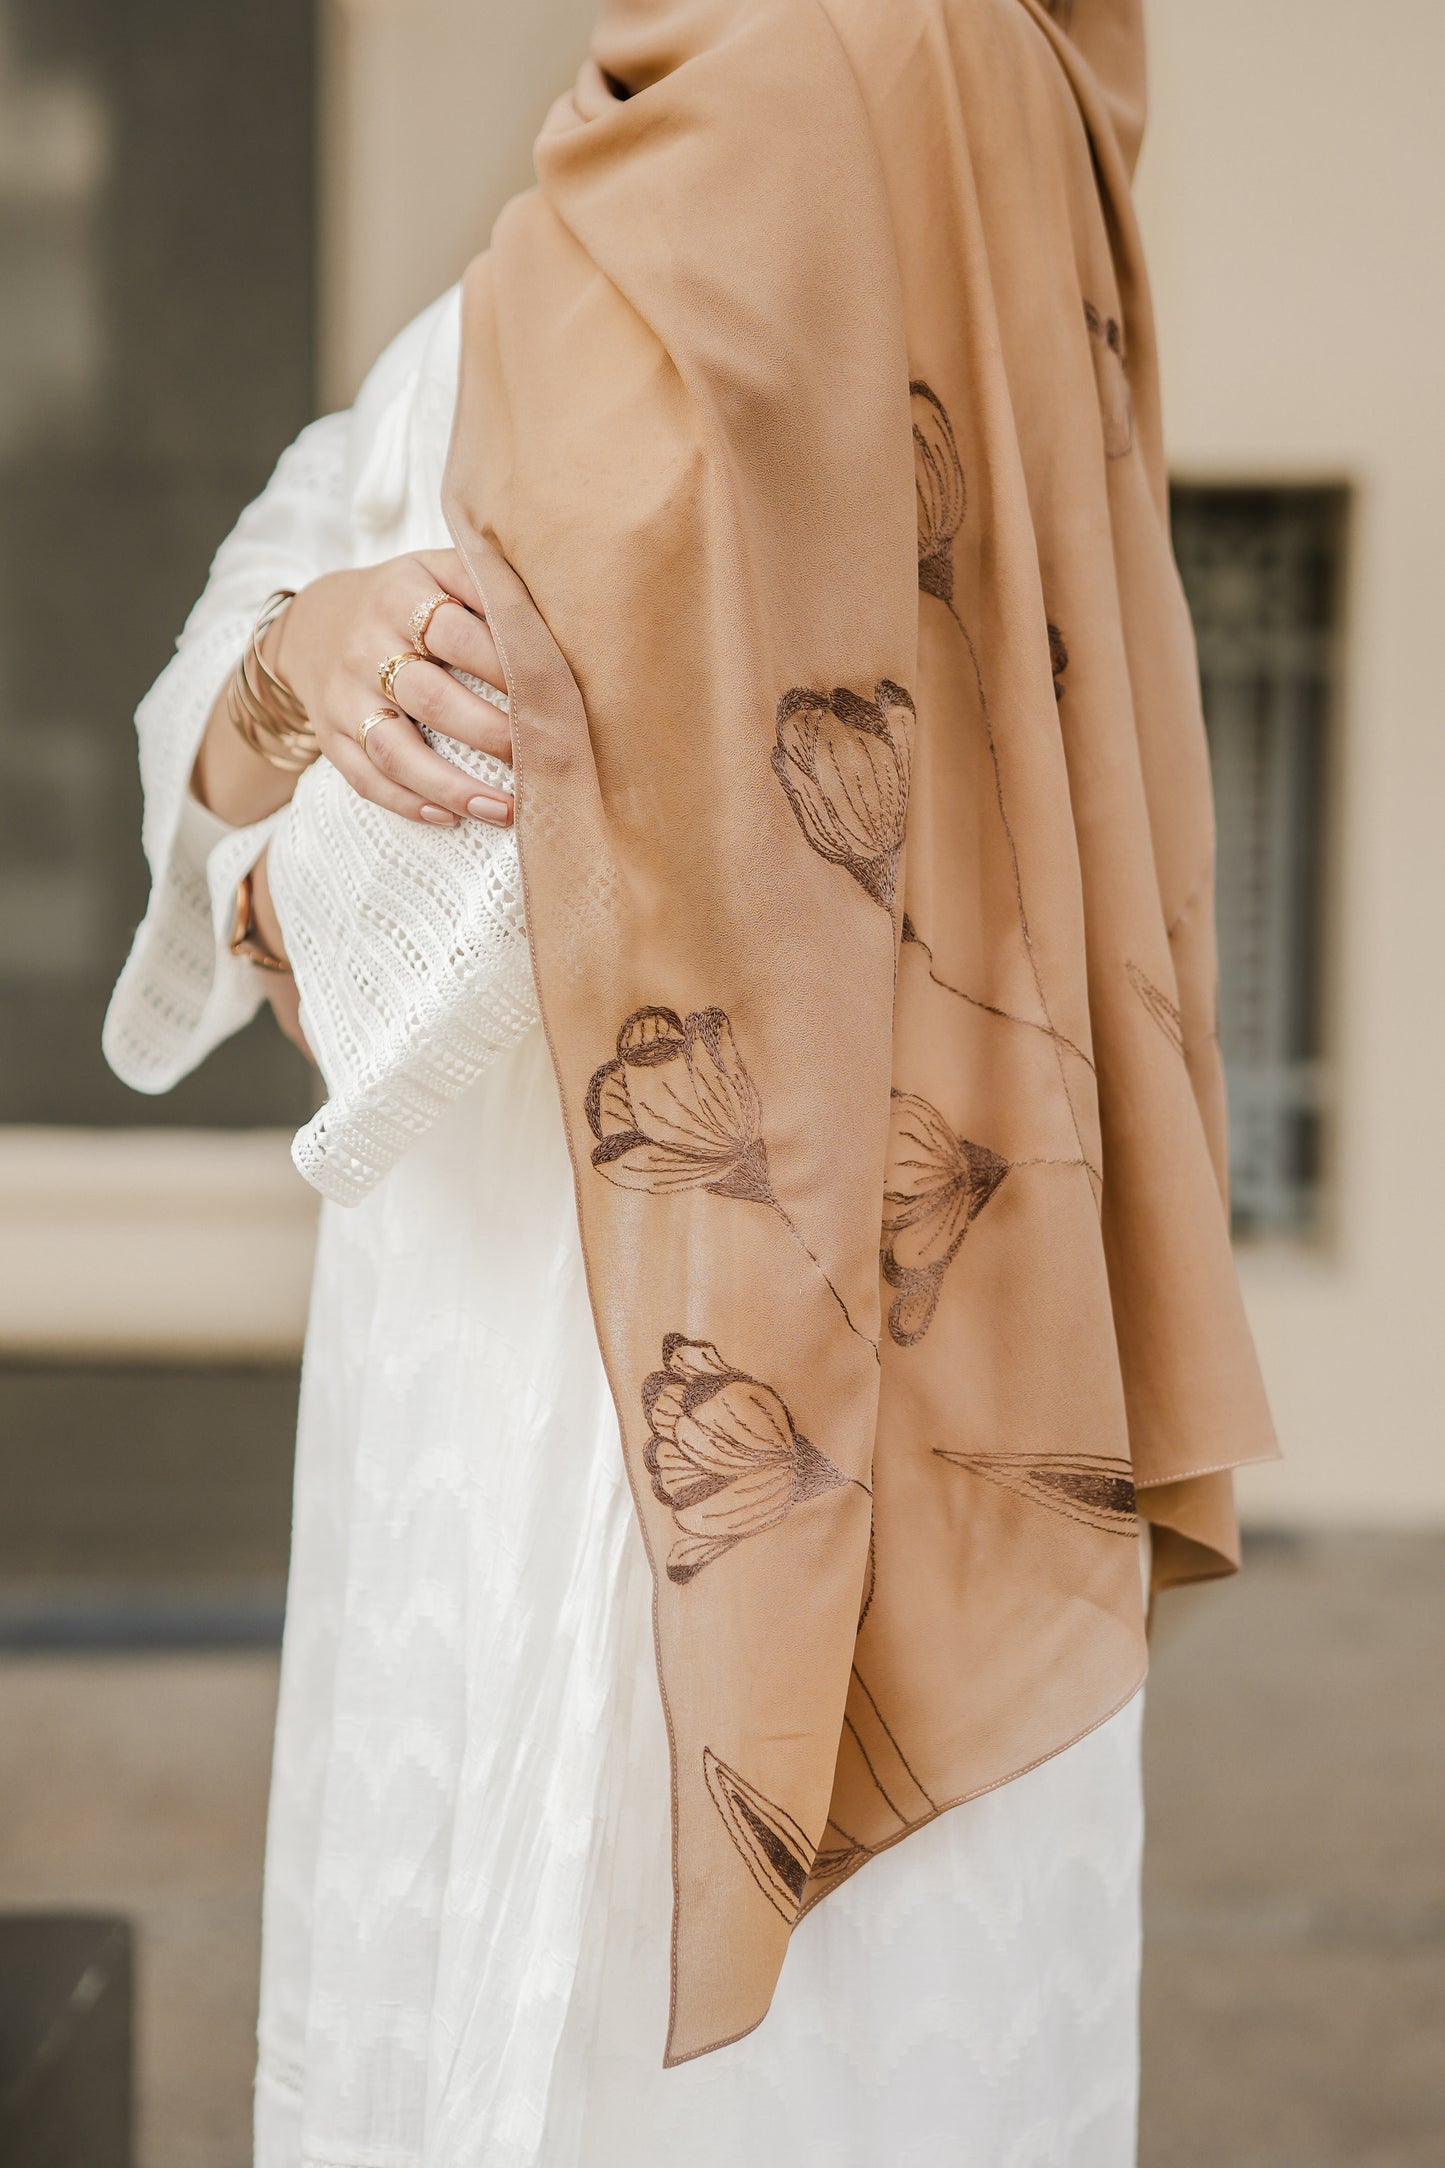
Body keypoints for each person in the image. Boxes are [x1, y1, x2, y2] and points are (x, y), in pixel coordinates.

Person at [106, 3, 1276, 2161]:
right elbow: (264, 655)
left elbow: (397, 918)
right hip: (771, 1395)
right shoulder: (681, 240)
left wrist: (288, 734)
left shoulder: (797, 133)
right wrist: (294, 667)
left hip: (591, 1445)